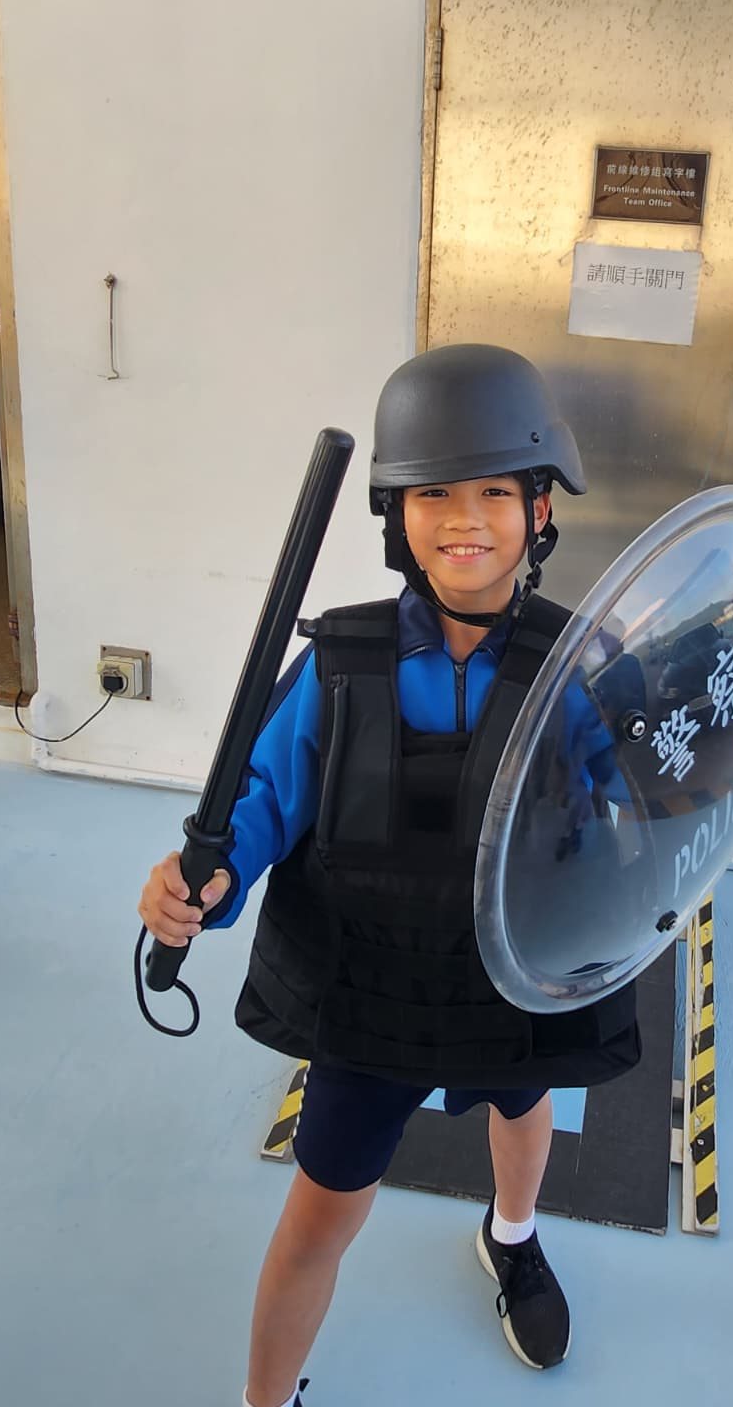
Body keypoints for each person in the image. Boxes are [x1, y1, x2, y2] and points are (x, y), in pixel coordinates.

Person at [138, 344, 641, 1407]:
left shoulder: (579, 671)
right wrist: (203, 884)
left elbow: (638, 817)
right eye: (435, 493)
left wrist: (691, 783)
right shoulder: (339, 664)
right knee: (318, 1218)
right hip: (372, 990)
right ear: (395, 514)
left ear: (540, 509)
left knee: (525, 1102)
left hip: (511, 975)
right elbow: (259, 805)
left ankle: (512, 1235)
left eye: (495, 491)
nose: (465, 519)